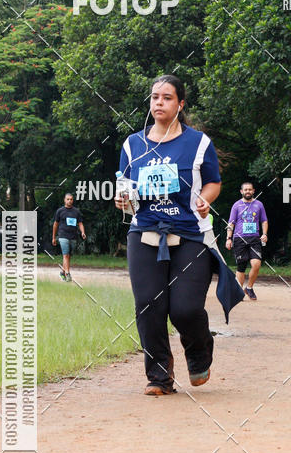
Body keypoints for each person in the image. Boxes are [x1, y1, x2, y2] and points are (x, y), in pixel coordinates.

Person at [115, 74, 244, 396]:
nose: (159, 102)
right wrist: (122, 200)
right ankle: (159, 377)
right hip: (144, 232)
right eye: (155, 97)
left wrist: (206, 198)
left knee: (184, 309)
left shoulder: (198, 143)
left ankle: (199, 354)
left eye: (167, 97)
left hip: (191, 235)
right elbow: (126, 188)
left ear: (180, 104)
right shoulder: (133, 144)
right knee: (148, 305)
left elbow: (213, 181)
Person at [226, 182, 268, 300]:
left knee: (256, 264)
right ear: (241, 191)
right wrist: (228, 238)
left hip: (254, 238)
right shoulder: (236, 205)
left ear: (253, 191)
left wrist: (264, 234)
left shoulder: (259, 204)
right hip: (239, 238)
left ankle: (249, 288)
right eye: (245, 190)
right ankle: (239, 292)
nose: (248, 191)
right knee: (241, 267)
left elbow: (264, 221)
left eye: (250, 189)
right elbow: (231, 223)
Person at [51, 193, 86, 281]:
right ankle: (68, 274)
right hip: (63, 235)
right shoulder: (60, 211)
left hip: (73, 236)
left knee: (68, 256)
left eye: (71, 199)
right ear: (64, 200)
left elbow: (80, 223)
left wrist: (83, 232)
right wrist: (54, 237)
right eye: (68, 199)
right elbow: (55, 224)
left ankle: (62, 272)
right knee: (65, 255)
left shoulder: (76, 211)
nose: (69, 201)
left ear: (73, 200)